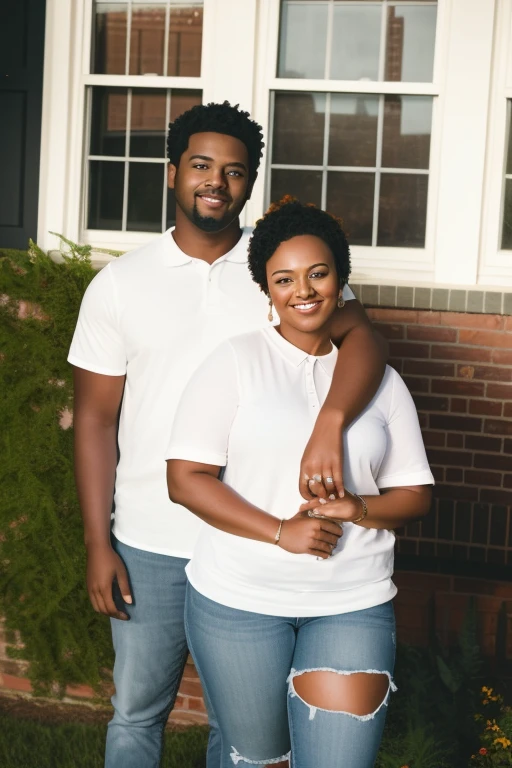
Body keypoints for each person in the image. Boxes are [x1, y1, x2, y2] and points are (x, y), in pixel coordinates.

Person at [69, 103, 386, 768]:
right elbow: (96, 420)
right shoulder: (119, 285)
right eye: (202, 165)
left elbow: (365, 343)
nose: (217, 181)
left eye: (234, 171)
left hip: (254, 539)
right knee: (135, 714)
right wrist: (100, 543)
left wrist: (331, 421)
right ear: (173, 173)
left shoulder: (281, 273)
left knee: (243, 733)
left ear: (249, 185)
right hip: (150, 544)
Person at [166, 199, 434, 768]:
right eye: (283, 279)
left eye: (318, 273)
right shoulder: (234, 362)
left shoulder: (380, 381)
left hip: (352, 603)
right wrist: (280, 531)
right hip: (239, 601)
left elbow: (416, 495)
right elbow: (186, 480)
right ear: (267, 290)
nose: (303, 291)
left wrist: (358, 508)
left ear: (342, 279)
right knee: (258, 760)